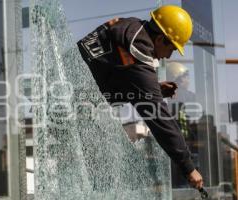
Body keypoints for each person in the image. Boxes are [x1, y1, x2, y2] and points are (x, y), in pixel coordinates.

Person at [77, 5, 204, 189]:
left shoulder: (131, 27)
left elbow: (108, 77)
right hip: (73, 110)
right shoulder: (137, 51)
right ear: (160, 39)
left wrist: (153, 90)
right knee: (103, 180)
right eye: (172, 49)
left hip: (75, 99)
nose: (168, 55)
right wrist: (188, 167)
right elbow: (159, 117)